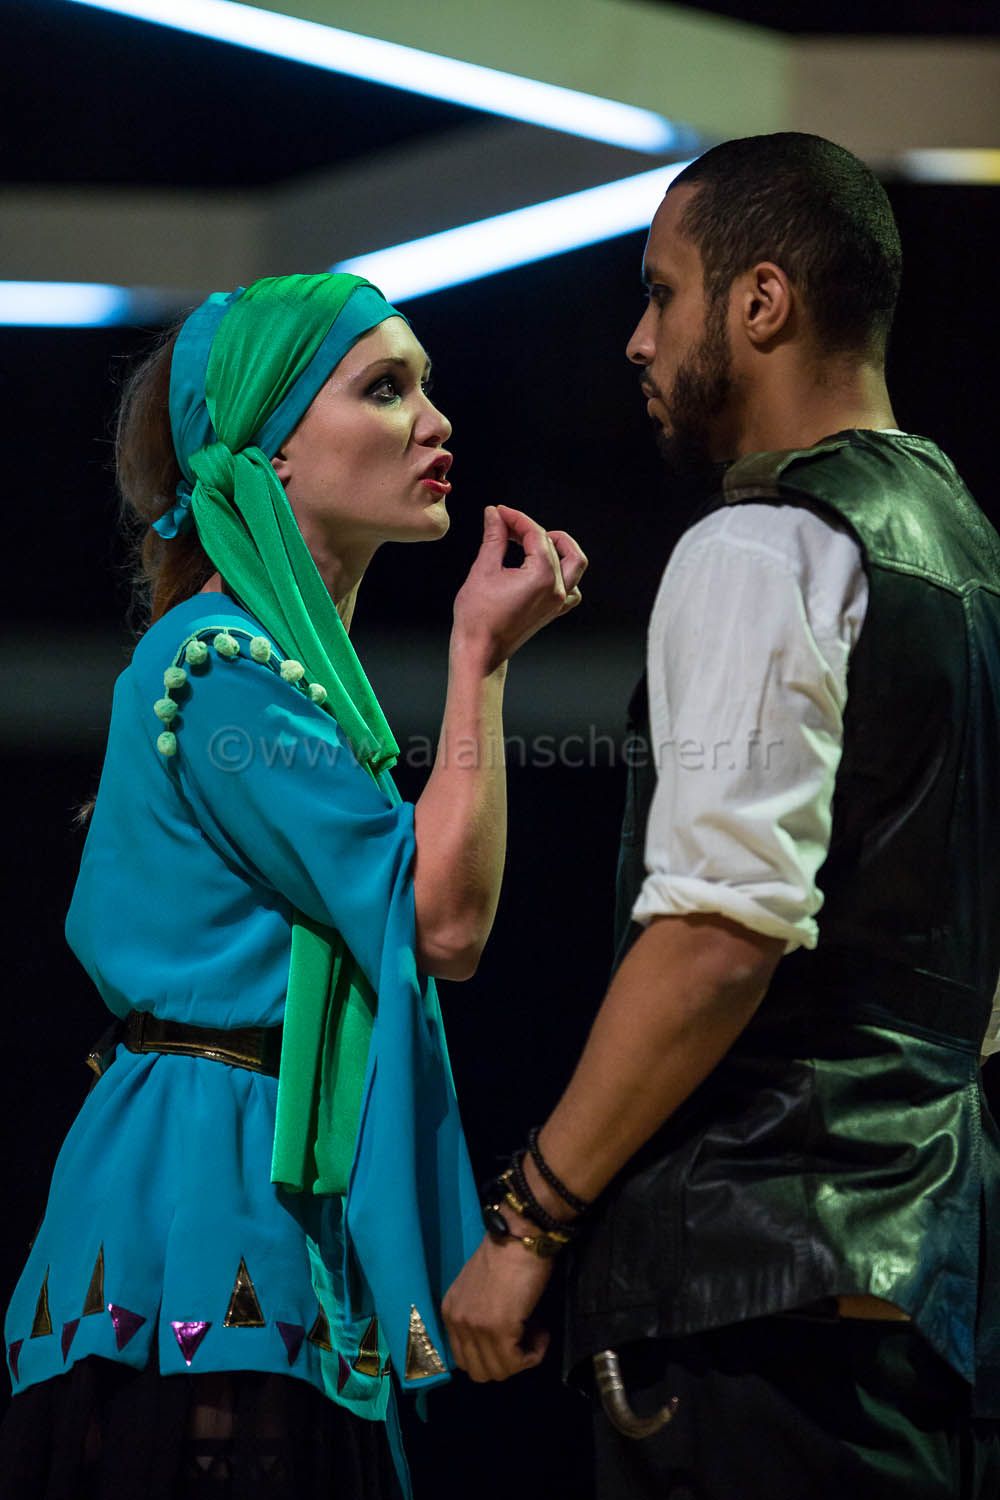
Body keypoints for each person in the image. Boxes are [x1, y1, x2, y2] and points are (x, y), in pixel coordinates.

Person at [443, 132, 1000, 1499]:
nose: (637, 340)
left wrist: (528, 1220)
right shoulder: (963, 543)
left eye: (662, 292)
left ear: (760, 301)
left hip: (761, 1292)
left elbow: (714, 937)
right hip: (929, 1287)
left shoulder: (760, 541)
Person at [0, 271, 587, 1499]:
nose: (434, 422)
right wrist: (478, 656)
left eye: (425, 386)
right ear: (267, 452)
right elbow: (442, 921)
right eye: (384, 389)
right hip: (208, 1197)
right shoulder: (217, 668)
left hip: (248, 1179)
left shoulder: (273, 676)